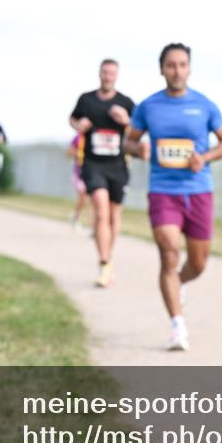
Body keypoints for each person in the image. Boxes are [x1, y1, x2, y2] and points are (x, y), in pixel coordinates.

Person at [125, 43, 222, 351]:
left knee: (197, 264)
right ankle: (177, 326)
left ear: (189, 68)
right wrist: (139, 148)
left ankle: (180, 282)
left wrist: (206, 157)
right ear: (162, 69)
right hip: (163, 191)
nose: (177, 70)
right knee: (169, 252)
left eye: (182, 64)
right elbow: (128, 142)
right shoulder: (147, 106)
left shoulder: (204, 105)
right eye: (171, 65)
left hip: (198, 191)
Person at [70, 59, 136, 287]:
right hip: (92, 163)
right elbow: (72, 119)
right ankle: (103, 262)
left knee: (114, 216)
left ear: (117, 76)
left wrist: (126, 121)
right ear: (99, 74)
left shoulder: (125, 102)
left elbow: (138, 130)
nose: (108, 76)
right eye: (105, 72)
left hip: (117, 165)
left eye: (112, 73)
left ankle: (108, 256)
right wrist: (79, 125)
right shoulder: (86, 99)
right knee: (100, 209)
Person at [67, 133, 89, 232]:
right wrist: (81, 153)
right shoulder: (78, 138)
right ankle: (75, 217)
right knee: (83, 196)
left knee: (92, 200)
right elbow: (69, 153)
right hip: (79, 173)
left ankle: (92, 224)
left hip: (93, 173)